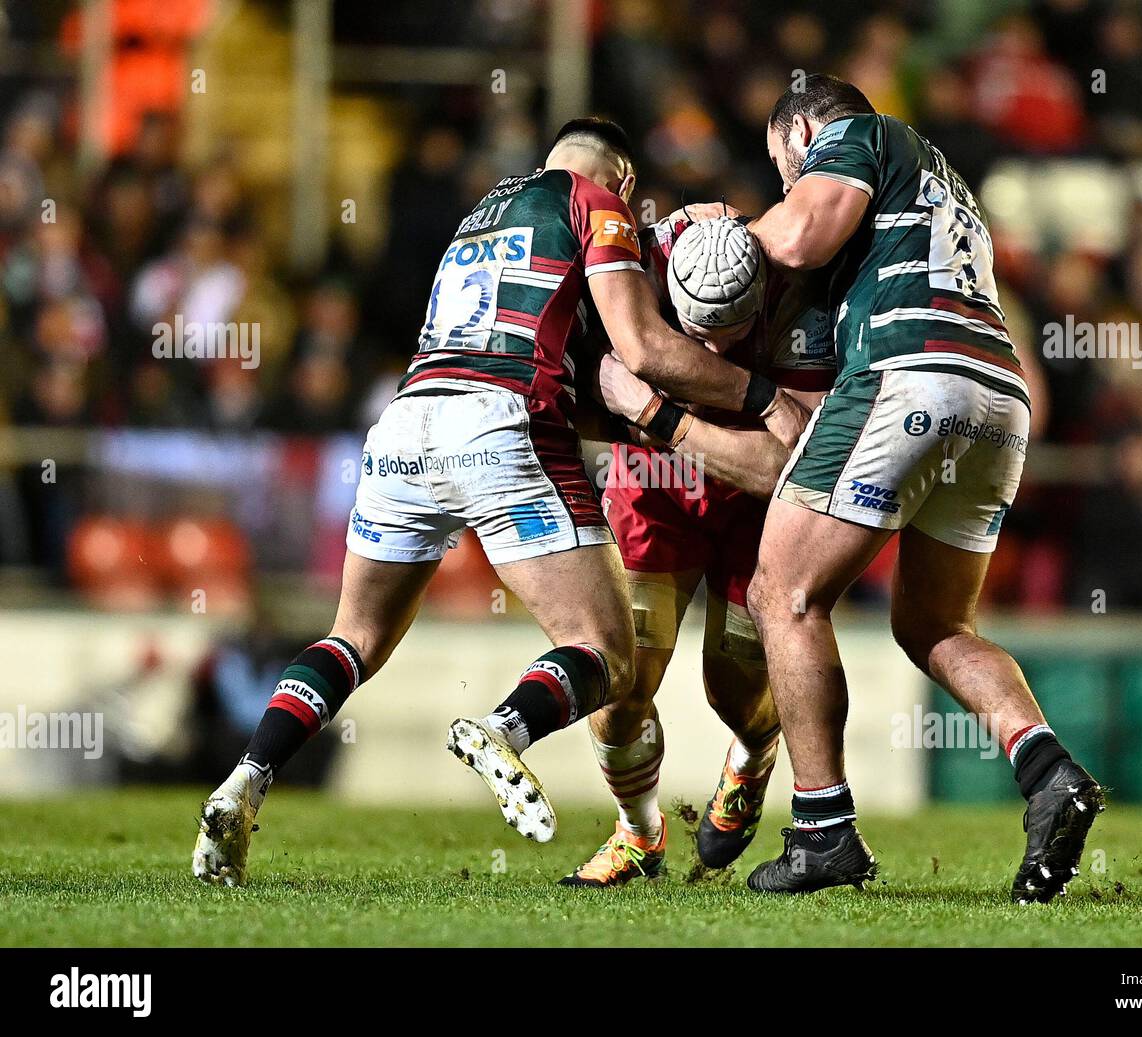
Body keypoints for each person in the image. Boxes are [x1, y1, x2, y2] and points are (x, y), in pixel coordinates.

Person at [192, 118, 807, 886]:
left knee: (352, 636)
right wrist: (758, 394)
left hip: (403, 424)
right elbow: (642, 346)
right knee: (607, 651)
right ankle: (505, 727)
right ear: (619, 179)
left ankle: (246, 777)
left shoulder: (480, 216)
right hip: (500, 420)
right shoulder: (594, 201)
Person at [742, 75, 1103, 901]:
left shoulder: (862, 135)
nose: (785, 179)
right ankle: (1049, 771)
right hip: (998, 396)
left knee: (784, 592)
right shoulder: (947, 183)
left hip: (912, 372)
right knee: (935, 622)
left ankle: (823, 829)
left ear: (801, 128)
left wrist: (726, 231)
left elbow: (799, 235)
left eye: (780, 162)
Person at [559, 212, 835, 886]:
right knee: (618, 684)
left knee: (733, 690)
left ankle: (753, 751)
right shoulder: (633, 268)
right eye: (695, 331)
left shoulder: (805, 303)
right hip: (654, 494)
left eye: (728, 332)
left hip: (757, 509)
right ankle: (636, 834)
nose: (708, 353)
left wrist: (657, 414)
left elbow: (779, 464)